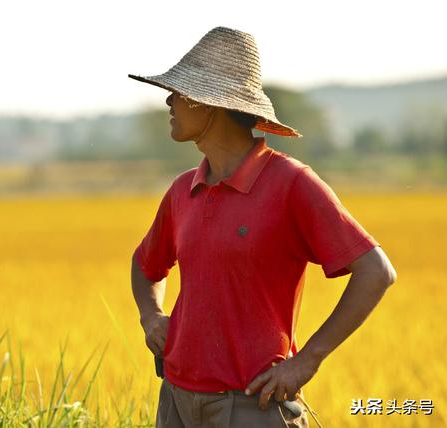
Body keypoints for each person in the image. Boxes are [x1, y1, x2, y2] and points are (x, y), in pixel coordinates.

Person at [128, 27, 397, 428]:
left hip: (253, 407)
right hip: (177, 402)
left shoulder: (291, 184)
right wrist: (151, 316)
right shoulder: (183, 190)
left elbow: (376, 271)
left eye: (180, 93)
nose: (168, 100)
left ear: (211, 105)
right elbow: (146, 264)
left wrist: (306, 361)